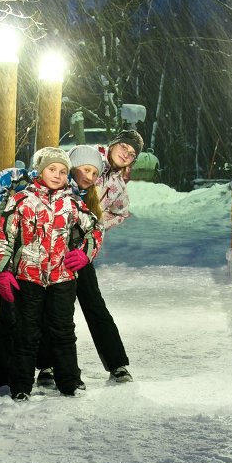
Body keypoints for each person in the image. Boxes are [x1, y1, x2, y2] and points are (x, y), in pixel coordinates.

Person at [0, 146, 103, 400]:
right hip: (27, 277)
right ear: (41, 171)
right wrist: (3, 271)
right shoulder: (20, 201)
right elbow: (4, 238)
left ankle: (70, 382)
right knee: (26, 332)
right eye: (52, 169)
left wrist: (86, 252)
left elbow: (96, 229)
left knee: (63, 330)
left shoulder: (73, 203)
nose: (57, 175)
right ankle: (20, 386)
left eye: (63, 171)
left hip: (62, 278)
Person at [37, 130, 144, 387]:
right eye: (124, 147)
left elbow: (121, 213)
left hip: (80, 251)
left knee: (93, 303)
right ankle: (48, 365)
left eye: (131, 155)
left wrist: (97, 226)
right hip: (51, 247)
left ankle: (116, 363)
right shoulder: (85, 156)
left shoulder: (117, 186)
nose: (126, 154)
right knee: (52, 305)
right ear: (114, 143)